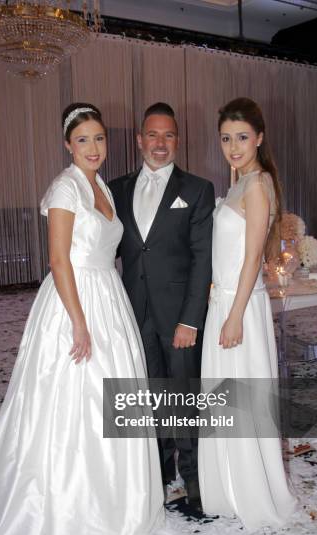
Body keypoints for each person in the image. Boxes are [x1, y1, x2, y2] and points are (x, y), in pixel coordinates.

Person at [0, 103, 164, 535]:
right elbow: (58, 260)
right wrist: (78, 320)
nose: (94, 148)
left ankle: (114, 496)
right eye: (83, 140)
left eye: (99, 139)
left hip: (108, 297)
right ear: (67, 145)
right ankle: (69, 503)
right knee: (75, 399)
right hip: (74, 301)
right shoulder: (64, 188)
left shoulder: (103, 188)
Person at [109, 103, 214, 509]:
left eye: (168, 135)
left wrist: (191, 319)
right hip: (133, 311)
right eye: (152, 135)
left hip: (179, 316)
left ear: (177, 140)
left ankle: (193, 477)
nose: (159, 143)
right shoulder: (116, 189)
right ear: (139, 139)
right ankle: (155, 472)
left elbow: (202, 258)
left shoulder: (197, 189)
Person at [198, 97, 297, 530]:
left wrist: (234, 315)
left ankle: (252, 490)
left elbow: (254, 256)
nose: (233, 146)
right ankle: (229, 486)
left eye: (241, 137)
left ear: (258, 138)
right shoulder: (238, 181)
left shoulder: (258, 184)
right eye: (225, 138)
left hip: (240, 307)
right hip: (223, 301)